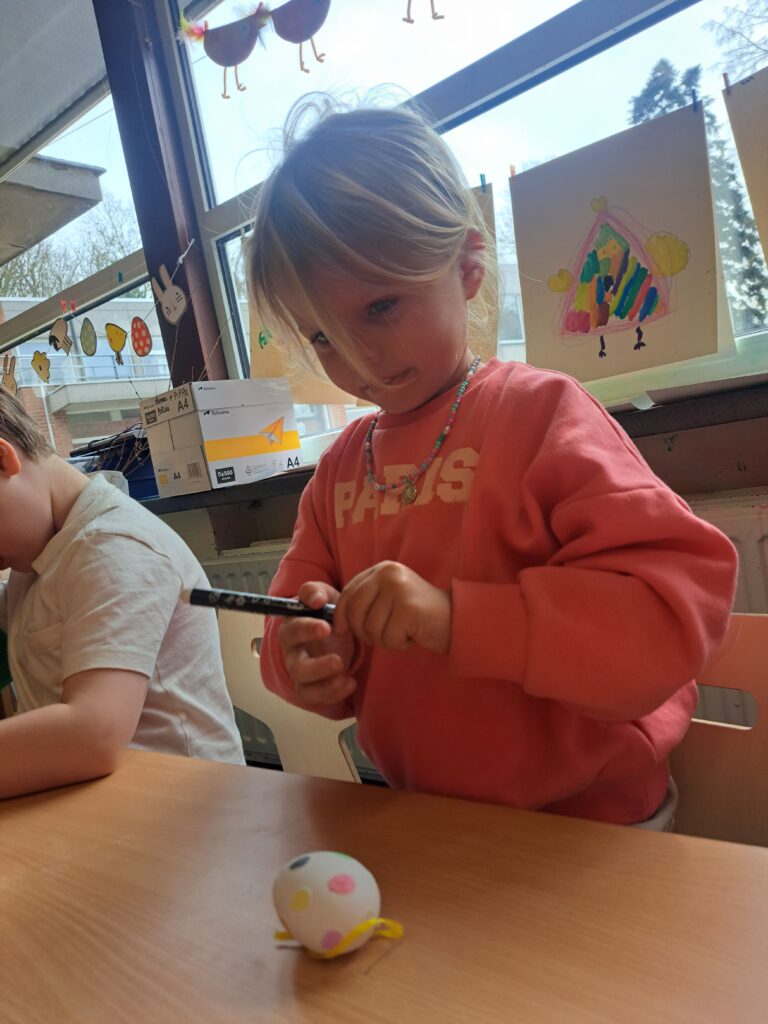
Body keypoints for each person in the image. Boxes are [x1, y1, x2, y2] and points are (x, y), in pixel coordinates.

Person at [248, 98, 738, 827]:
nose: (359, 357)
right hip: (437, 823)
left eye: (380, 307)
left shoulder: (542, 416)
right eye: (321, 336)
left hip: (596, 827)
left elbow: (669, 617)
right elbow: (284, 626)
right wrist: (304, 657)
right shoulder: (338, 473)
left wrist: (458, 620)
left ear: (468, 264)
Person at [0, 388, 244, 800]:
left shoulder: (115, 546)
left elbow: (91, 734)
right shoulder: (39, 554)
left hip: (184, 810)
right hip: (95, 800)